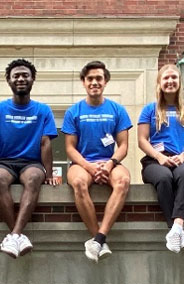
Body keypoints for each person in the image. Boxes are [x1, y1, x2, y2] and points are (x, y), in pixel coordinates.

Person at [0, 59, 58, 259]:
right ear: (9, 81)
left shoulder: (43, 110)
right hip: (3, 162)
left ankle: (13, 235)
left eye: (25, 75)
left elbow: (45, 143)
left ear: (32, 80)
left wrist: (48, 173)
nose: (21, 79)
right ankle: (18, 235)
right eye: (16, 76)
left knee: (34, 179)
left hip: (31, 162)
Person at [62, 60, 131, 263]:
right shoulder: (73, 112)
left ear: (105, 81)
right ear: (83, 82)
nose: (94, 82)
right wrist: (89, 167)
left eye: (98, 78)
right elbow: (69, 148)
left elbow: (124, 146)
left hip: (110, 162)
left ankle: (99, 238)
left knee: (123, 181)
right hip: (82, 164)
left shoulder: (117, 110)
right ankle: (98, 239)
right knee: (78, 183)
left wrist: (110, 164)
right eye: (90, 78)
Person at [137, 65, 184, 253]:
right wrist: (159, 157)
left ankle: (176, 228)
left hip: (182, 158)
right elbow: (142, 140)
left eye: (174, 77)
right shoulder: (149, 110)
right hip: (155, 161)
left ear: (180, 82)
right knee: (164, 178)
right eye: (166, 78)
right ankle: (175, 231)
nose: (170, 81)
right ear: (159, 83)